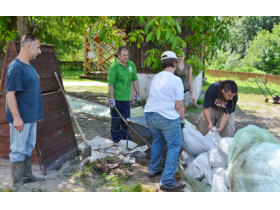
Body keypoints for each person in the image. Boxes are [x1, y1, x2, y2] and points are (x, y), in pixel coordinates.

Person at [5, 34, 45, 192]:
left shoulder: (29, 65)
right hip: (20, 119)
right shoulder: (16, 68)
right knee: (18, 150)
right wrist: (16, 118)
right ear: (28, 46)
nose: (40, 51)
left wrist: (37, 114)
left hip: (31, 117)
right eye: (38, 47)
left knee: (28, 147)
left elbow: (31, 92)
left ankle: (27, 175)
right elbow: (10, 94)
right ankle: (16, 185)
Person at [144, 51, 185, 191]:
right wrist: (182, 119)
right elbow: (179, 105)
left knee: (158, 140)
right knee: (174, 146)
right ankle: (167, 181)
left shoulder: (156, 77)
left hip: (150, 115)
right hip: (166, 117)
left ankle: (153, 169)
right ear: (174, 63)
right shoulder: (176, 80)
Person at [107, 46, 140, 143]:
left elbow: (135, 80)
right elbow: (111, 84)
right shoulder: (114, 67)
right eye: (124, 55)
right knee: (116, 120)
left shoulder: (131, 65)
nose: (126, 57)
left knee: (126, 120)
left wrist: (138, 94)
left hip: (126, 99)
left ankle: (125, 138)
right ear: (119, 55)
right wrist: (112, 99)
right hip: (116, 98)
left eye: (127, 55)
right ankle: (116, 139)